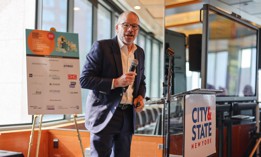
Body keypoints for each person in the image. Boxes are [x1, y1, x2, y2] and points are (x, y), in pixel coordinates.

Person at [80, 11, 146, 157]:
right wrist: (116, 82)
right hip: (105, 115)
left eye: (134, 26)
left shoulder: (139, 52)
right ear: (117, 28)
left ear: (138, 30)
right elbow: (84, 79)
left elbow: (141, 80)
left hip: (128, 115)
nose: (130, 29)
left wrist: (140, 96)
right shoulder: (102, 47)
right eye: (126, 25)